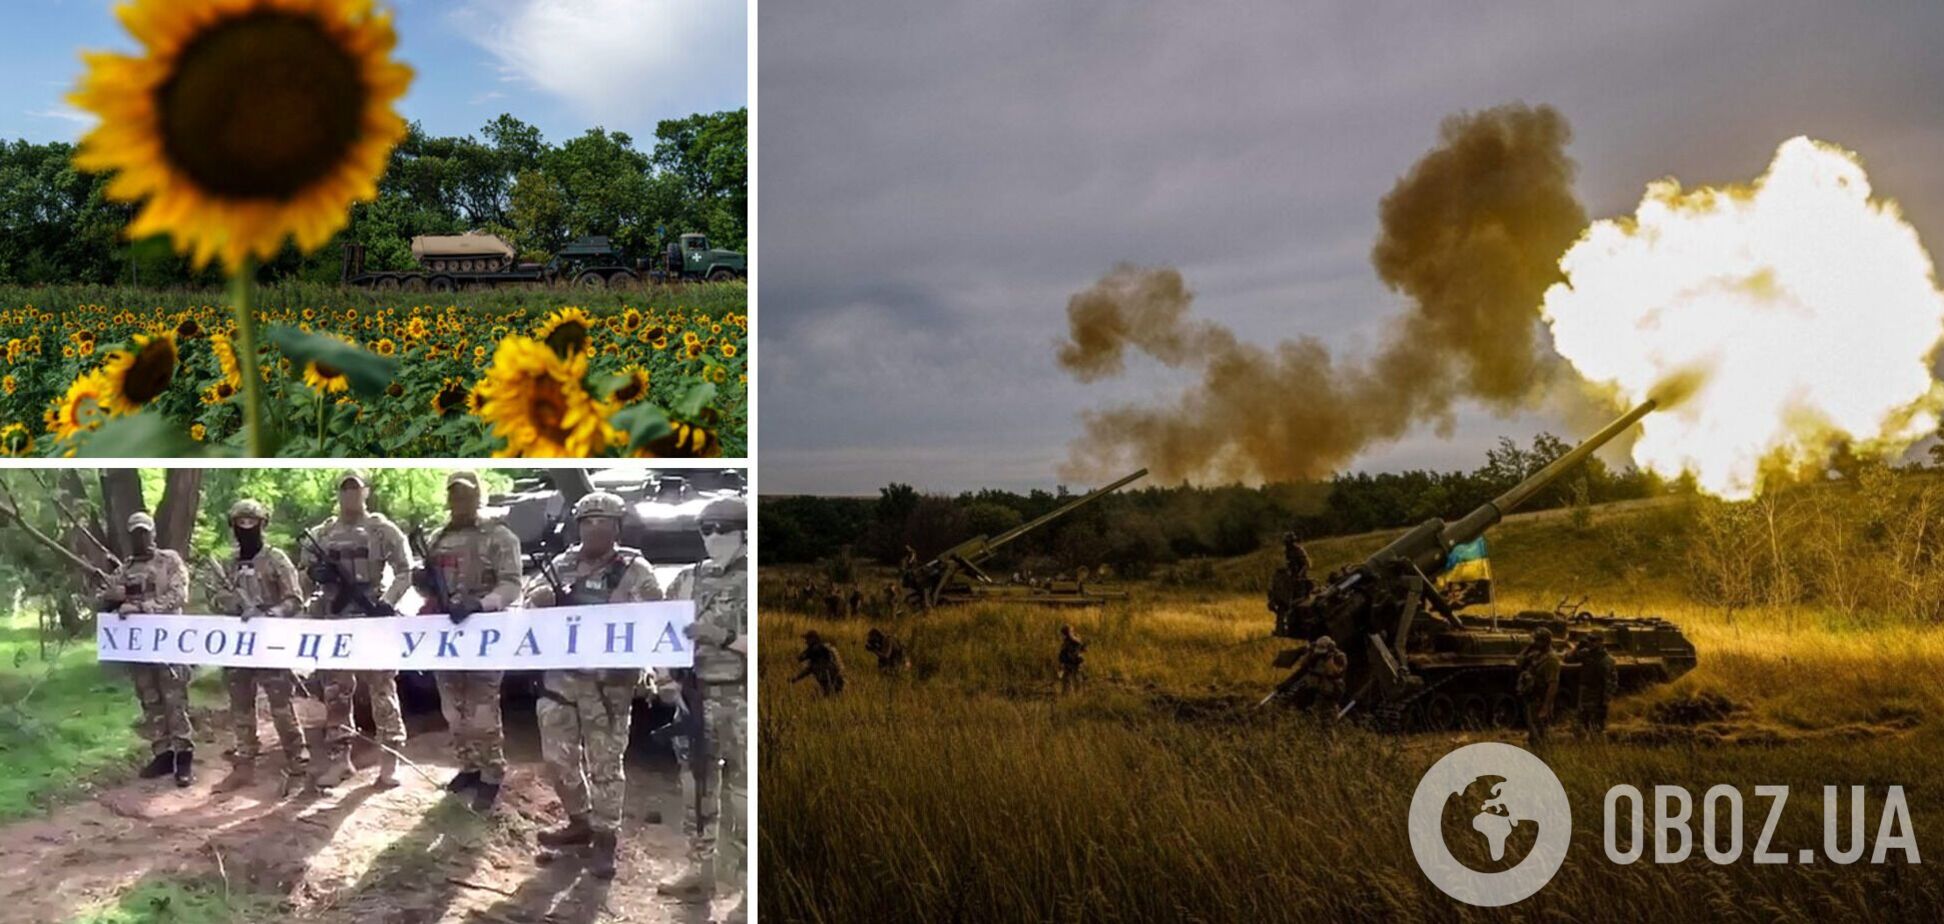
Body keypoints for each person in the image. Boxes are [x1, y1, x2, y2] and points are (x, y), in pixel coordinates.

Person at [526, 491, 662, 879]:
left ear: (618, 527)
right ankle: (579, 820)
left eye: (605, 522)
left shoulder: (634, 568)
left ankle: (605, 839)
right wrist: (542, 599)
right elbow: (529, 600)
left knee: (605, 765)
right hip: (560, 679)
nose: (596, 529)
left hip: (609, 684)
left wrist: (648, 666)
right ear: (578, 526)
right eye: (588, 522)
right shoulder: (562, 563)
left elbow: (659, 619)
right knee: (557, 758)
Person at [659, 496, 750, 916]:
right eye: (706, 530)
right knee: (697, 790)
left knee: (744, 796)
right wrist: (662, 677)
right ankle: (699, 871)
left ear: (743, 532)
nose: (713, 538)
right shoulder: (686, 580)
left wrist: (724, 637)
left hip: (740, 699)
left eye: (723, 529)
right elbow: (659, 633)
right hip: (693, 698)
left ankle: (750, 886)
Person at [417, 469, 523, 812]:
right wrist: (424, 583)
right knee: (453, 709)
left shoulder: (499, 536)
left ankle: (492, 774)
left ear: (479, 495)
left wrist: (480, 604)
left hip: (484, 634)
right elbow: (428, 587)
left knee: (482, 710)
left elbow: (511, 585)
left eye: (466, 493)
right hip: (447, 634)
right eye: (454, 494)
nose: (459, 499)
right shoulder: (437, 538)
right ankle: (469, 767)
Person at [299, 469, 411, 790]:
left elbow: (405, 570)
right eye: (344, 489)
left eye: (355, 488)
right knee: (336, 692)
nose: (350, 494)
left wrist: (387, 603)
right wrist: (314, 574)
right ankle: (340, 761)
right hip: (335, 622)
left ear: (366, 492)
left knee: (382, 689)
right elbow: (302, 579)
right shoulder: (322, 533)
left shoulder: (381, 529)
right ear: (338, 494)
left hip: (372, 615)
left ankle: (389, 762)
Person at [211, 499, 307, 794]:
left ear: (263, 524)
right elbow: (213, 597)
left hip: (271, 644)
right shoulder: (226, 563)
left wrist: (270, 614)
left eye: (252, 522)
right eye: (240, 522)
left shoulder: (276, 559)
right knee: (240, 706)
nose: (246, 528)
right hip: (238, 646)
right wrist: (234, 605)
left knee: (280, 707)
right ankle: (244, 765)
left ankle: (298, 766)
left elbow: (294, 598)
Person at [102, 512, 194, 786]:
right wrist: (115, 598)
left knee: (175, 700)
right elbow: (105, 595)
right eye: (136, 534)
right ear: (130, 537)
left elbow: (179, 594)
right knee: (150, 699)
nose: (141, 538)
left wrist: (143, 606)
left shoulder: (169, 560)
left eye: (145, 532)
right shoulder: (125, 568)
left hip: (168, 643)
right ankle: (162, 753)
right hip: (138, 647)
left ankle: (184, 757)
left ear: (153, 533)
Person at [1565, 632, 1618, 737]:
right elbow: (1568, 659)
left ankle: (1596, 747)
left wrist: (1606, 700)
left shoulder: (1607, 660)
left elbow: (1612, 681)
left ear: (1601, 642)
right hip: (1584, 694)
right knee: (1579, 725)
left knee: (1596, 727)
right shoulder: (1585, 654)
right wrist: (1577, 647)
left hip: (1597, 695)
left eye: (1593, 640)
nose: (1590, 643)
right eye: (1589, 640)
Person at [1517, 628, 1562, 747]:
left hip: (1541, 700)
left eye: (1537, 641)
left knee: (1540, 734)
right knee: (1533, 733)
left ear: (1545, 642)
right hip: (1532, 699)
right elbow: (1519, 662)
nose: (1534, 643)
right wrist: (1528, 648)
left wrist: (1545, 708)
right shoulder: (1536, 655)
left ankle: (1543, 756)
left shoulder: (1551, 659)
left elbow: (1553, 684)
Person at [1057, 623, 1087, 694]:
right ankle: (1074, 693)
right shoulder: (1074, 640)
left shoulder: (1069, 642)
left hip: (1072, 663)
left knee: (1071, 679)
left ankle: (1071, 694)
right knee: (1073, 679)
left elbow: (1063, 654)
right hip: (1072, 663)